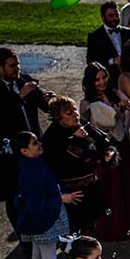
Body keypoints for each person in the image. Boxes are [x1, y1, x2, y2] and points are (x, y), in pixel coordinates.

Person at [0, 47, 52, 229]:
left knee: (39, 185)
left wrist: (48, 99)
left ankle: (40, 225)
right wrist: (20, 96)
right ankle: (23, 233)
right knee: (14, 193)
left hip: (35, 145)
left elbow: (44, 105)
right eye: (12, 65)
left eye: (18, 64)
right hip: (11, 150)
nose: (17, 68)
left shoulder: (23, 80)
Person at [12, 131, 76, 259]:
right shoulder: (31, 171)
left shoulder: (30, 165)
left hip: (35, 220)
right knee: (49, 257)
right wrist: (61, 199)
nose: (39, 143)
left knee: (37, 255)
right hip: (43, 220)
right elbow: (36, 200)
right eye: (34, 143)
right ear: (24, 150)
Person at [42, 96, 116, 237]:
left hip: (91, 186)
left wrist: (109, 153)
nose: (75, 114)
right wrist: (76, 141)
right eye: (69, 113)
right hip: (72, 191)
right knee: (75, 228)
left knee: (93, 223)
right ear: (59, 117)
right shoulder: (51, 137)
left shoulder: (81, 124)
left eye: (74, 110)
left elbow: (104, 143)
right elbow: (59, 165)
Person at [80, 62, 130, 241]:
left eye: (104, 77)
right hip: (103, 149)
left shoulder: (114, 94)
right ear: (90, 82)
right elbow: (85, 129)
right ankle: (111, 229)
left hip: (121, 143)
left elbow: (129, 108)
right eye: (96, 79)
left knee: (126, 183)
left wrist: (125, 109)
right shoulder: (86, 103)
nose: (102, 82)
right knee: (109, 188)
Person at [86, 1, 130, 81]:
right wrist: (112, 61)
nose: (115, 18)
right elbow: (91, 60)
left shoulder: (127, 32)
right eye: (111, 16)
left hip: (129, 75)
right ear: (103, 17)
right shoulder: (95, 36)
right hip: (109, 77)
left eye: (117, 15)